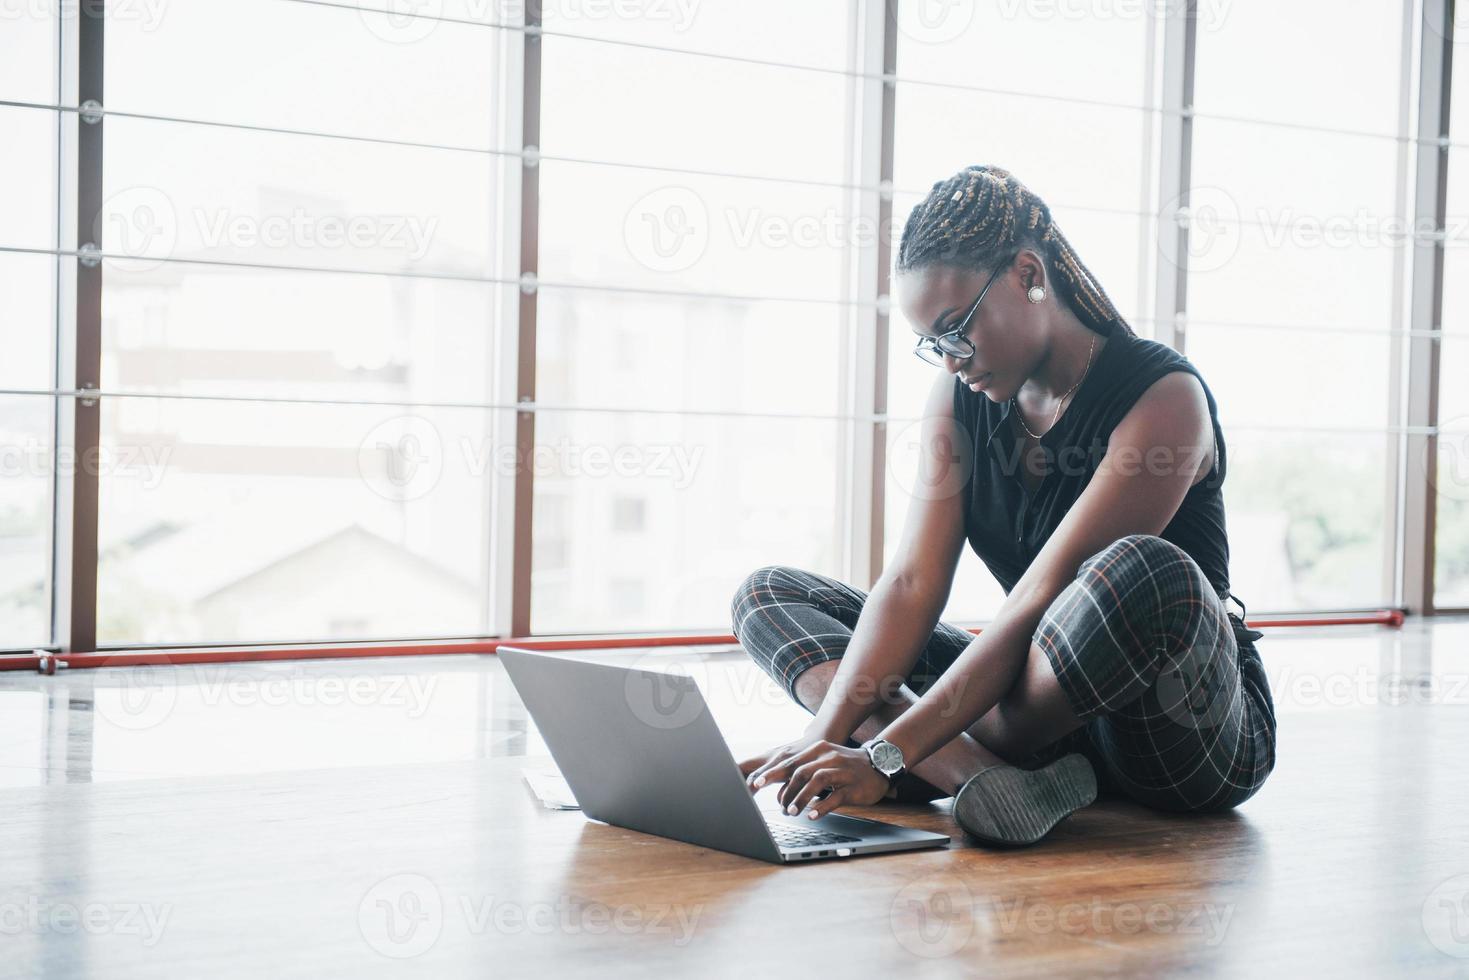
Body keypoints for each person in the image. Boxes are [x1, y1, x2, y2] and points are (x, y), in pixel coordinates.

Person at [729, 165, 1277, 846]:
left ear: (1025, 274)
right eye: (933, 344)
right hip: (1041, 711)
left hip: (1178, 729)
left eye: (957, 328)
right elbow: (910, 582)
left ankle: (931, 753)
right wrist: (820, 739)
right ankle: (981, 777)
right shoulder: (962, 400)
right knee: (769, 594)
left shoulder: (1162, 397)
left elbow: (1039, 597)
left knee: (1138, 570)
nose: (952, 360)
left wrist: (883, 751)